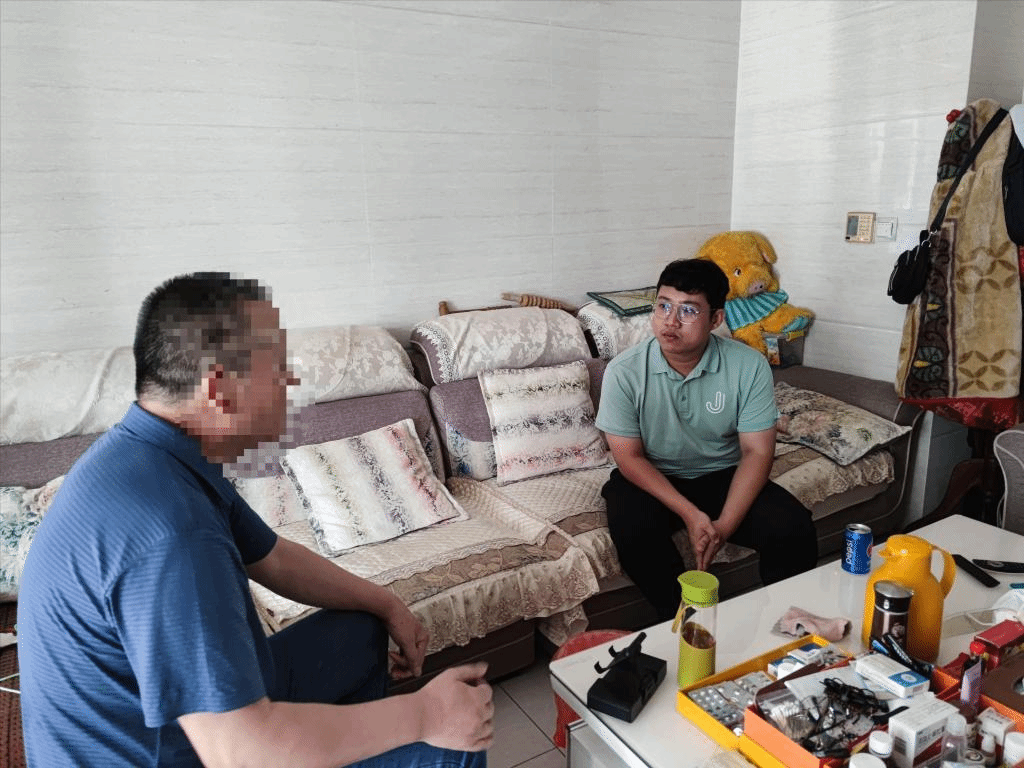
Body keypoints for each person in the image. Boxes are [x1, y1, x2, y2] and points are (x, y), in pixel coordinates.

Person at [18, 273, 493, 767]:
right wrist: (424, 714)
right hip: (195, 751)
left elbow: (275, 558)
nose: (288, 387)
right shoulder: (172, 535)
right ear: (221, 391)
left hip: (186, 729)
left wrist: (388, 603)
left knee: (359, 629)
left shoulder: (152, 456)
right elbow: (240, 752)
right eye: (277, 372)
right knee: (452, 748)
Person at [596, 258, 818, 622]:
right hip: (654, 477)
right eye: (663, 306)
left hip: (722, 473)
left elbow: (757, 451)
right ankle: (688, 624)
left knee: (792, 527)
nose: (670, 321)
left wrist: (723, 527)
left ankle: (790, 627)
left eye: (688, 310)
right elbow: (629, 457)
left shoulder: (748, 365)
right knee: (633, 529)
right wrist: (690, 513)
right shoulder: (624, 372)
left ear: (716, 319)